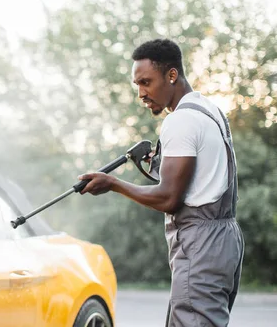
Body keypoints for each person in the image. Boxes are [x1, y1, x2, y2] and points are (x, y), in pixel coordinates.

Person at [78, 38, 244, 327]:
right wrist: (159, 164)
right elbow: (202, 179)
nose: (141, 93)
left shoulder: (179, 122)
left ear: (171, 75)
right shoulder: (211, 112)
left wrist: (112, 184)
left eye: (146, 82)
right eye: (137, 85)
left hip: (201, 245)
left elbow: (169, 198)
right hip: (226, 240)